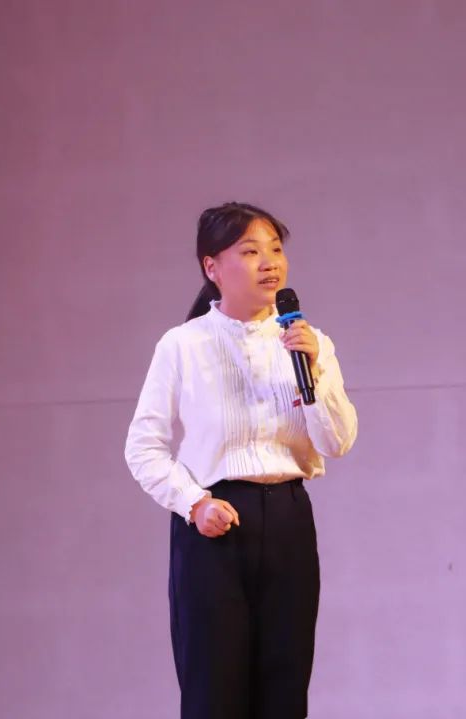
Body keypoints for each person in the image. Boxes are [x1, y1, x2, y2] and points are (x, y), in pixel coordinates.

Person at [124, 201, 358, 719]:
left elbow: (336, 441)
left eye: (275, 250)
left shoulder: (311, 343)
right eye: (250, 251)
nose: (269, 263)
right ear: (212, 267)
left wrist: (315, 372)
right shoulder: (183, 345)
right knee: (215, 694)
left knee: (284, 691)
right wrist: (193, 503)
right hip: (214, 524)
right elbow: (143, 446)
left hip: (289, 520)